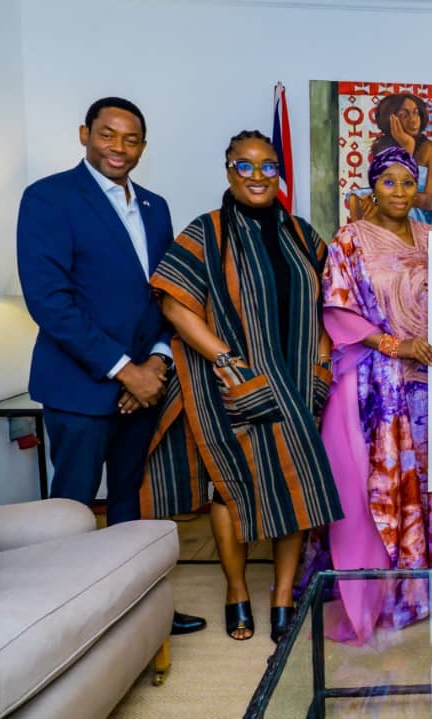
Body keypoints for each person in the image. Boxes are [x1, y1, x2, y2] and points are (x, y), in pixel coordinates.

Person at [141, 130, 343, 643]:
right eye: (245, 165)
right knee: (230, 486)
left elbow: (329, 304)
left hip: (298, 381)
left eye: (268, 166)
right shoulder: (206, 232)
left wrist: (322, 361)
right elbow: (174, 304)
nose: (257, 176)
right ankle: (236, 591)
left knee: (295, 484)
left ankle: (282, 596)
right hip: (231, 381)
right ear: (229, 170)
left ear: (280, 173)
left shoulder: (303, 235)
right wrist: (225, 358)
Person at [16, 97, 205, 637]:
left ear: (143, 146)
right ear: (85, 134)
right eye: (107, 134)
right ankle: (64, 625)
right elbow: (50, 301)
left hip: (144, 386)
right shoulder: (49, 197)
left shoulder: (155, 206)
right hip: (80, 387)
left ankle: (138, 612)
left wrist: (157, 364)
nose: (118, 147)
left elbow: (163, 294)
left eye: (131, 139)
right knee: (72, 510)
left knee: (130, 503)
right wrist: (125, 370)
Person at [319, 147, 432, 643]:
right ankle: (394, 594)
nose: (399, 191)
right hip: (382, 388)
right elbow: (339, 310)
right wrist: (397, 345)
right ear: (373, 185)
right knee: (389, 485)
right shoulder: (350, 239)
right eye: (388, 182)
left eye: (408, 182)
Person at [370, 92, 432, 220]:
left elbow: (430, 202)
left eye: (416, 113)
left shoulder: (431, 150)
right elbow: (381, 194)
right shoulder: (381, 148)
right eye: (404, 115)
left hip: (420, 220)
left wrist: (408, 146)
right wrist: (407, 148)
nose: (413, 120)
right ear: (391, 119)